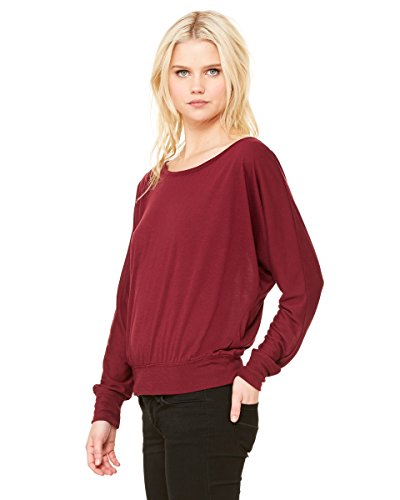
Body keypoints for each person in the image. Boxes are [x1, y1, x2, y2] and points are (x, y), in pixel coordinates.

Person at [85, 9, 324, 499]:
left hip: (211, 401)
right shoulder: (150, 186)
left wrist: (256, 370)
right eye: (183, 72)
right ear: (165, 82)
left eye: (211, 70)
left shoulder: (249, 162)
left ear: (232, 76)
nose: (197, 86)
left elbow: (304, 284)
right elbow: (130, 307)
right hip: (152, 404)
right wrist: (108, 405)